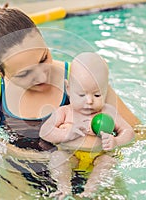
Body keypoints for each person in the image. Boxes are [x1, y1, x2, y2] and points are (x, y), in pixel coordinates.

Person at [0, 0, 140, 198]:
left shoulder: (82, 78)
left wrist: (102, 145)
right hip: (18, 176)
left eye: (43, 58)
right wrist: (35, 158)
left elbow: (141, 133)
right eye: (24, 74)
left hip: (89, 173)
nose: (43, 77)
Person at [40, 52, 135, 199]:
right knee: (58, 157)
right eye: (82, 95)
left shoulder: (108, 111)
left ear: (106, 91)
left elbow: (129, 131)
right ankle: (64, 188)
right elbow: (45, 132)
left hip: (99, 156)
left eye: (97, 95)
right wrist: (67, 134)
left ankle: (90, 191)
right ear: (69, 89)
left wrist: (116, 141)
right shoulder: (65, 112)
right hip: (71, 156)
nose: (89, 101)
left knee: (108, 161)